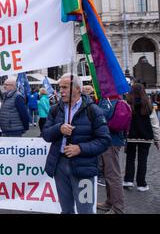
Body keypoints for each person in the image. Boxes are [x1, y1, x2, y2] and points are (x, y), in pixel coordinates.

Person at [42, 73, 111, 214]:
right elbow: (46, 135)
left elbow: (104, 140)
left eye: (65, 87)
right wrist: (59, 128)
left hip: (84, 168)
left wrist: (80, 148)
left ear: (78, 89)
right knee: (66, 210)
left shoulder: (93, 110)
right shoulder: (55, 109)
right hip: (59, 166)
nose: (61, 91)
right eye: (60, 87)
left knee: (85, 210)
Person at [123, 83, 160, 191]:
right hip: (146, 136)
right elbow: (154, 124)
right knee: (142, 160)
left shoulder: (127, 104)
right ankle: (141, 184)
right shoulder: (149, 105)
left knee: (130, 158)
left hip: (131, 135)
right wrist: (157, 139)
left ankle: (128, 180)